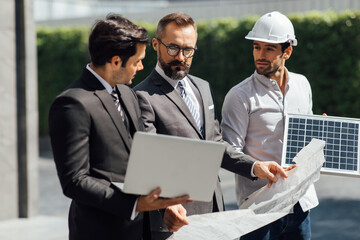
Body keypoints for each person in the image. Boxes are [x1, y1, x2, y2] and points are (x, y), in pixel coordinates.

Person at [134, 12, 288, 240]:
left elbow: (215, 144)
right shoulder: (141, 96)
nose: (182, 57)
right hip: (172, 221)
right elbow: (148, 161)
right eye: (173, 48)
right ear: (156, 44)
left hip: (213, 213)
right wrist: (166, 206)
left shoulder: (203, 88)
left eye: (189, 50)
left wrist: (255, 166)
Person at [48, 14, 192, 240]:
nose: (141, 67)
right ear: (115, 61)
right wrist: (134, 203)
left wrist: (167, 203)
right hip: (99, 232)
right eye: (137, 61)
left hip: (141, 232)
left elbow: (144, 155)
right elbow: (75, 181)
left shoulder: (127, 93)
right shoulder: (72, 103)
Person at [221, 11, 318, 240]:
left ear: (288, 51)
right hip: (259, 210)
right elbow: (228, 151)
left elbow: (307, 140)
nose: (260, 55)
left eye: (269, 48)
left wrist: (320, 131)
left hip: (300, 204)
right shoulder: (239, 96)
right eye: (256, 47)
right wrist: (256, 166)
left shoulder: (303, 85)